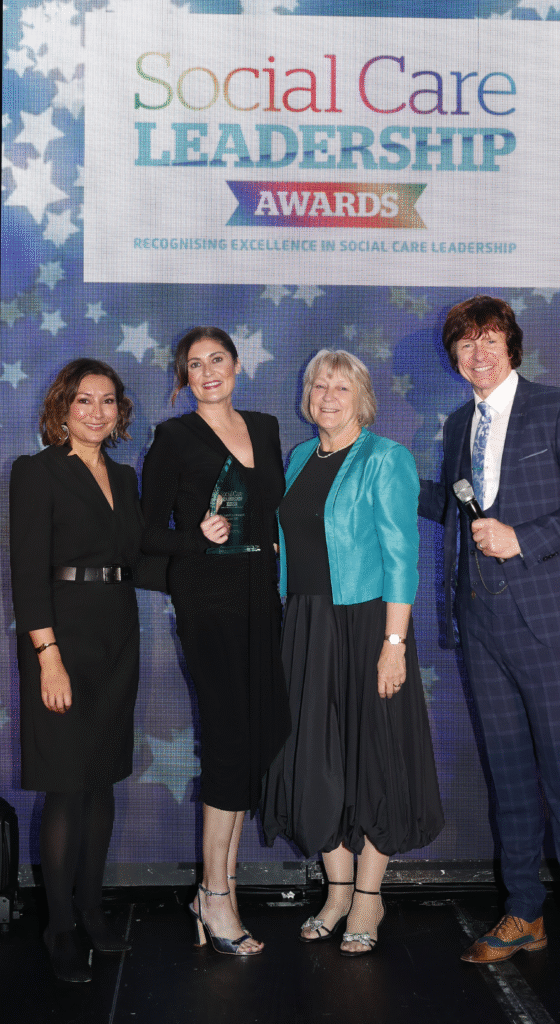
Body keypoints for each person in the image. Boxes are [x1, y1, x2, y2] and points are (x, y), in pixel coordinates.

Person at [417, 296, 560, 1013]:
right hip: (479, 627)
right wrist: (375, 473)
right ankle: (524, 913)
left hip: (545, 623)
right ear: (453, 356)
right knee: (507, 780)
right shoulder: (456, 425)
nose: (476, 354)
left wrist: (522, 539)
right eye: (464, 344)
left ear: (512, 346)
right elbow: (457, 507)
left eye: (489, 340)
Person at [261, 349, 444, 956]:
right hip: (306, 624)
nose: (328, 396)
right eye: (318, 385)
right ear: (306, 394)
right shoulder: (297, 459)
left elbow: (402, 557)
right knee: (314, 758)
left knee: (374, 753)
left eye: (341, 387)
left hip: (368, 623)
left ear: (362, 397)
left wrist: (394, 645)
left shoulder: (385, 458)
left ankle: (369, 897)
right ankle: (337, 890)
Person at [141, 326, 289, 956]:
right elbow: (147, 533)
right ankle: (217, 896)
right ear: (183, 376)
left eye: (217, 360)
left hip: (264, 602)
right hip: (209, 604)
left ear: (237, 364)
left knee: (258, 738)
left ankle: (218, 888)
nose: (207, 372)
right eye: (194, 364)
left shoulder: (267, 426)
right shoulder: (172, 438)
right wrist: (197, 535)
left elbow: (275, 514)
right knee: (229, 743)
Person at [10, 359, 143, 983]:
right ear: (62, 409)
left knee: (102, 783)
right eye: (84, 401)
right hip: (61, 640)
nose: (96, 412)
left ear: (119, 411)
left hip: (118, 633)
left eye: (107, 401)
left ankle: (91, 911)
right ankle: (58, 926)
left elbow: (139, 557)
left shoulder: (125, 475)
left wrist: (207, 540)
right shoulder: (35, 472)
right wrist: (47, 657)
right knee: (66, 787)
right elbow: (27, 574)